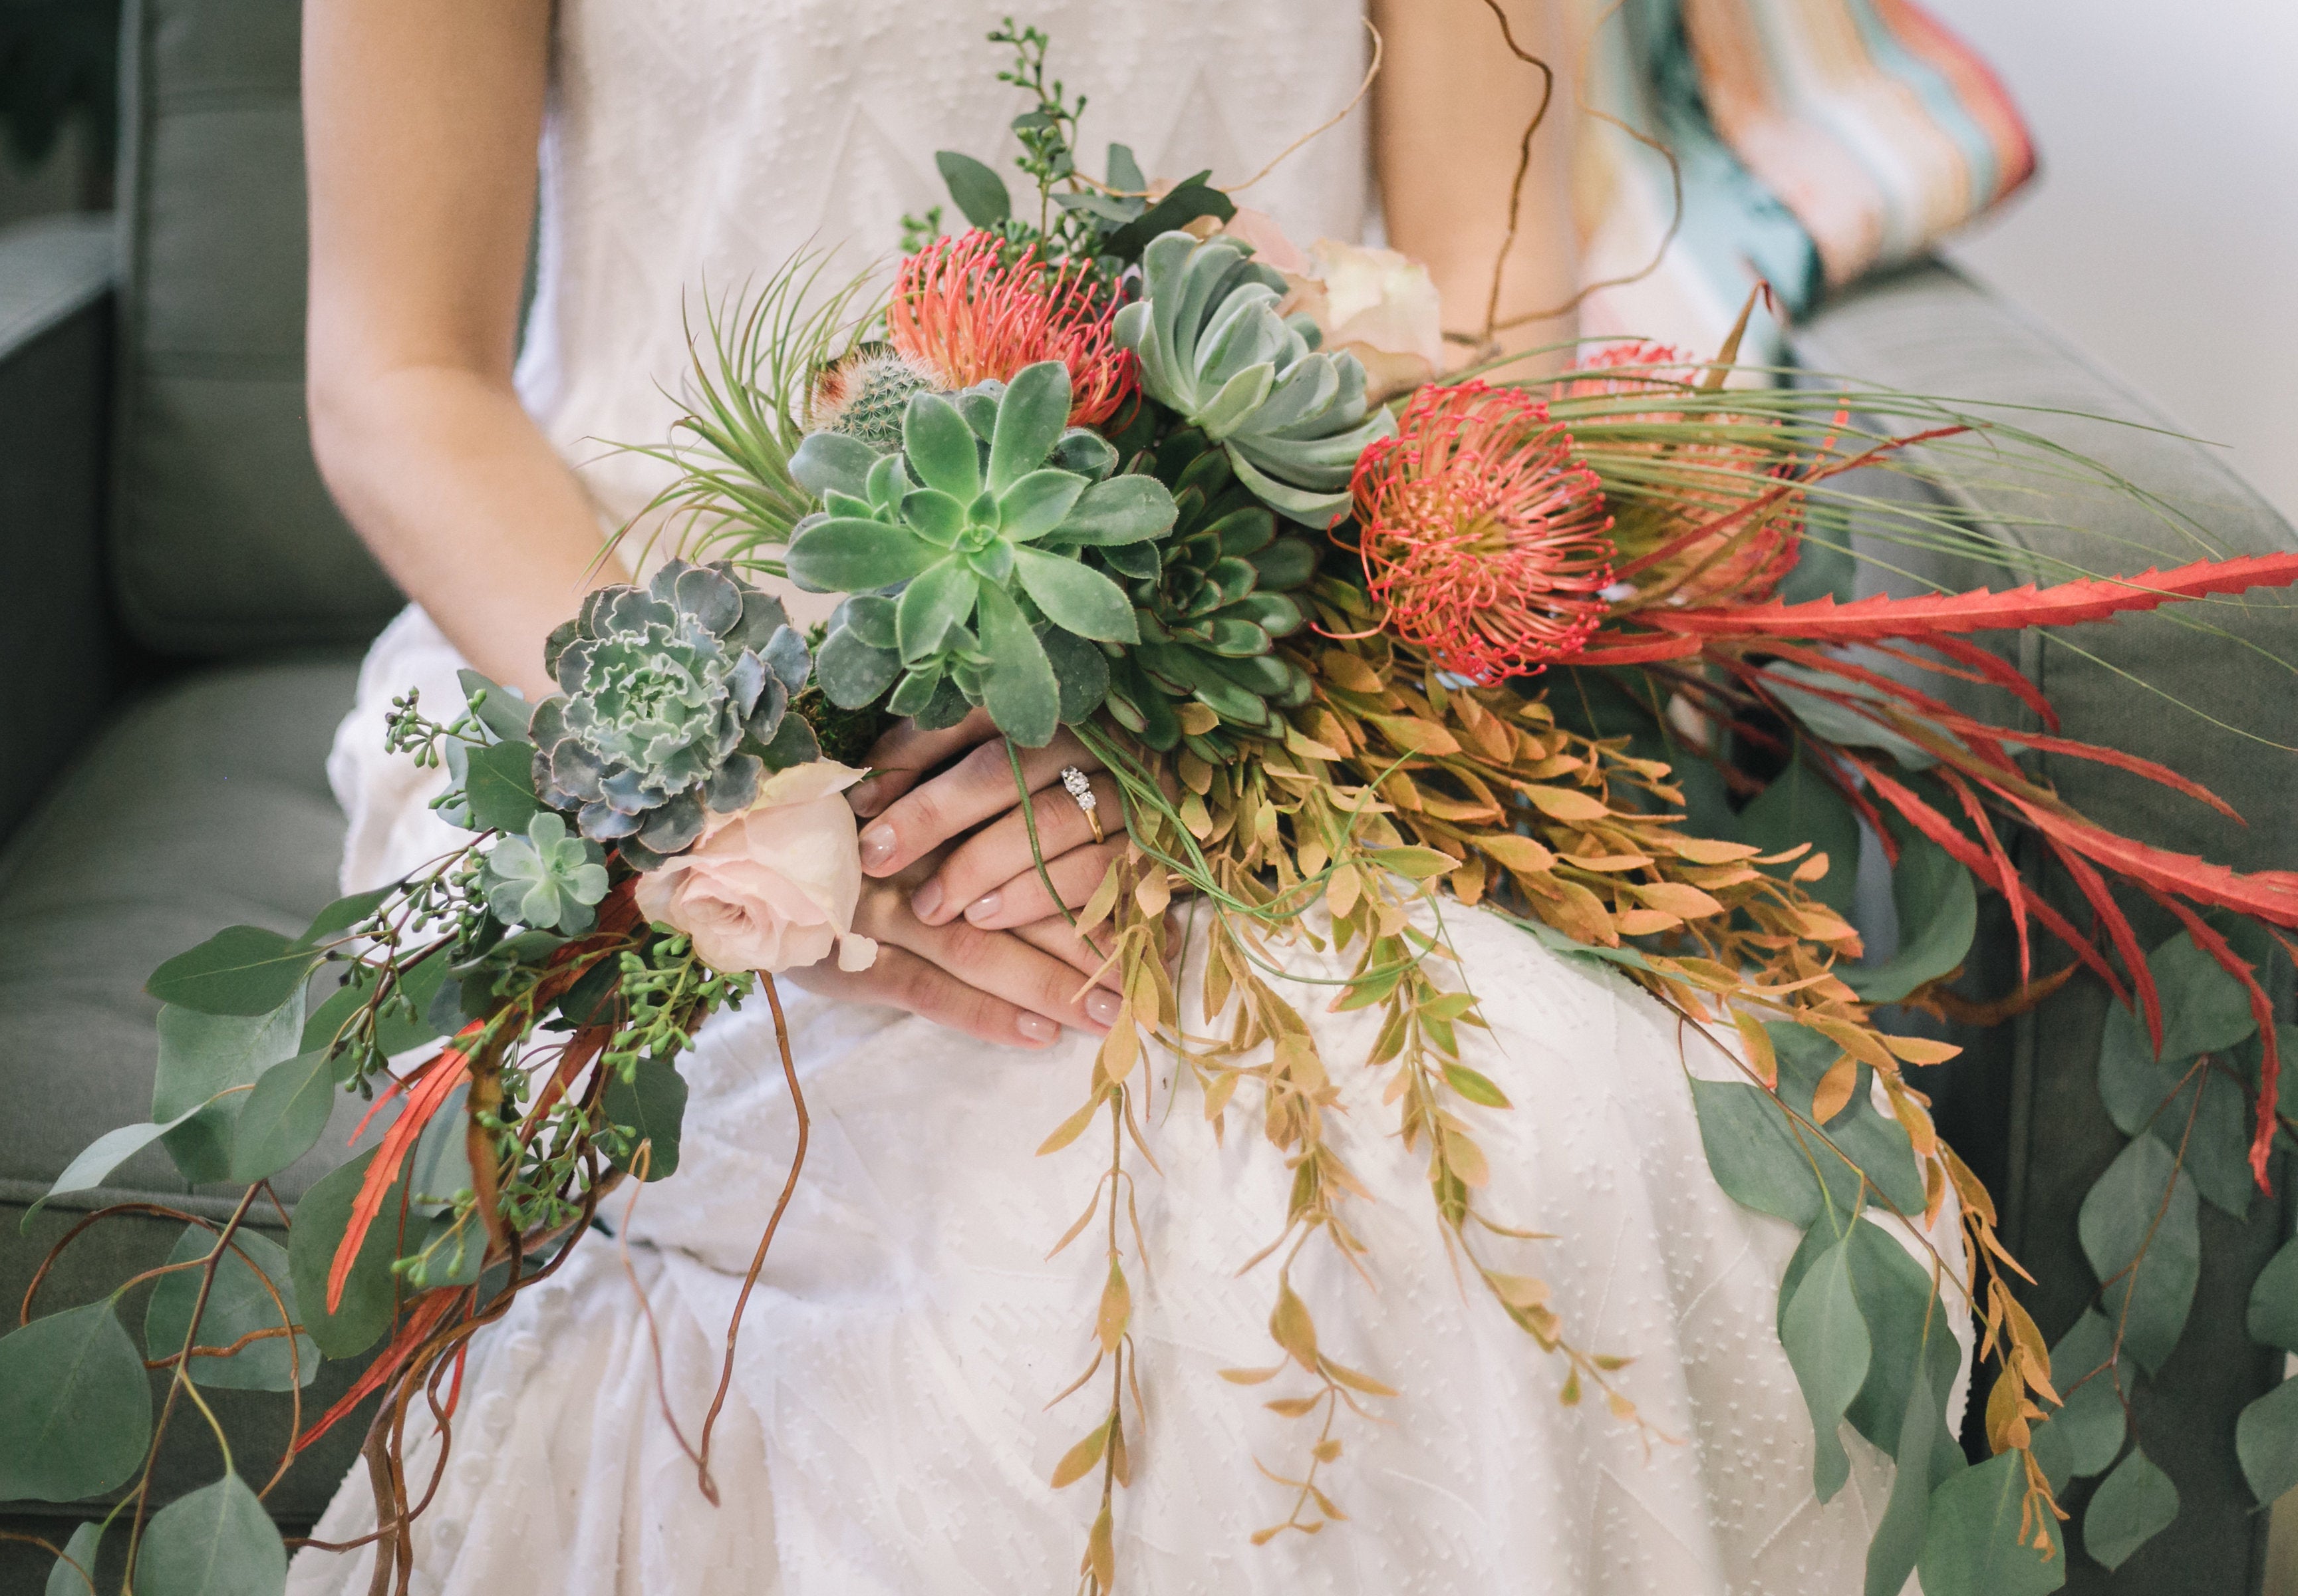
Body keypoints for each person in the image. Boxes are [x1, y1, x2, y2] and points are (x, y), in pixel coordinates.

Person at [288, 3, 1959, 1591]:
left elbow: (1490, 302)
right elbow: (398, 374)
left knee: (1556, 1144)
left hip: (1270, 657)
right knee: (1004, 1259)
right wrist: (760, 803)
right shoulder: (677, 729)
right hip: (616, 654)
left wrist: (1184, 726)